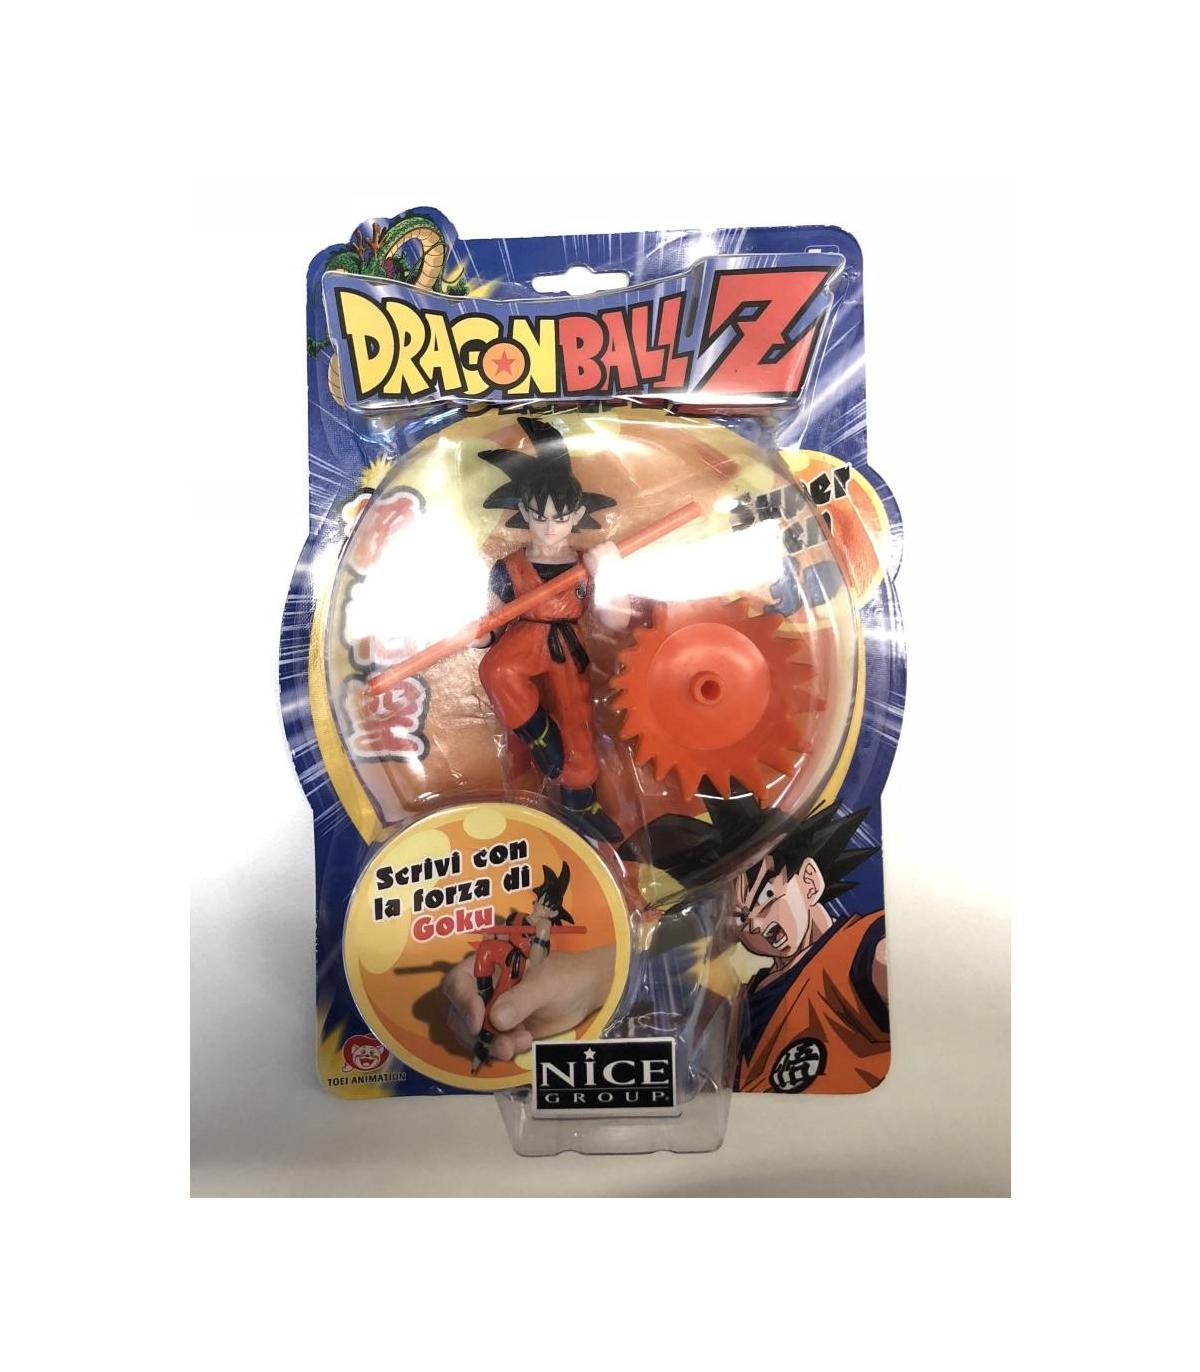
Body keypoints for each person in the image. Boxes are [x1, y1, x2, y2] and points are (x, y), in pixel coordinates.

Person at [475, 417, 629, 843]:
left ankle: (582, 805)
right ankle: (541, 737)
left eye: (559, 517)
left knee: (577, 721)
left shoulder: (585, 564)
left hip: (567, 644)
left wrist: (609, 572)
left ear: (576, 515)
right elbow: (495, 623)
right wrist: (483, 636)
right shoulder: (507, 569)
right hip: (525, 637)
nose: (548, 526)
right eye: (539, 516)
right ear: (525, 512)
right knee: (496, 669)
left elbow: (617, 620)